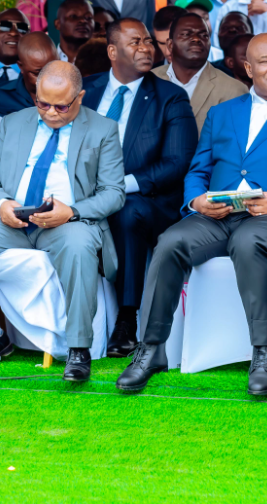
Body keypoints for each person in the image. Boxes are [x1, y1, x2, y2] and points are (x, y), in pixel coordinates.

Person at [119, 33, 267, 396]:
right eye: (266, 61)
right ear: (248, 68)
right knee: (170, 241)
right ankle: (152, 348)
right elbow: (198, 170)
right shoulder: (223, 112)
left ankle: (264, 353)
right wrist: (196, 201)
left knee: (248, 241)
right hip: (216, 215)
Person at [0, 59, 125, 381]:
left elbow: (114, 193)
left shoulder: (102, 129)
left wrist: (72, 211)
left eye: (61, 106)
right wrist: (2, 204)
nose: (50, 113)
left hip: (67, 222)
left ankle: (78, 348)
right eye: (43, 103)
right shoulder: (14, 122)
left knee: (78, 248)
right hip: (12, 219)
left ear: (80, 97)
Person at [82, 20, 197, 356]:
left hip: (148, 199)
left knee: (126, 211)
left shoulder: (170, 97)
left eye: (148, 41)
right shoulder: (84, 91)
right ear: (112, 51)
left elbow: (177, 162)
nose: (146, 48)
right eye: (135, 42)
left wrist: (118, 187)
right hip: (83, 193)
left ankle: (126, 318)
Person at [152, 12, 247, 133]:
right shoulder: (148, 80)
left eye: (204, 35)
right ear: (170, 45)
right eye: (186, 34)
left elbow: (233, 141)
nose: (196, 39)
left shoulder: (235, 91)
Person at [0, 32, 57, 117]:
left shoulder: (71, 94)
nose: (47, 79)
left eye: (52, 70)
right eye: (38, 73)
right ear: (21, 66)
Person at [52, 0, 95, 65]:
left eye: (88, 17)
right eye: (73, 16)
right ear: (58, 24)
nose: (83, 20)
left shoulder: (104, 61)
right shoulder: (46, 60)